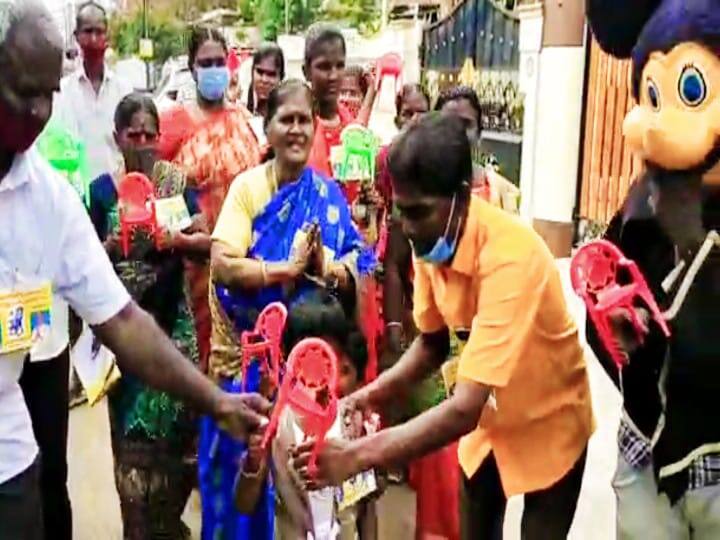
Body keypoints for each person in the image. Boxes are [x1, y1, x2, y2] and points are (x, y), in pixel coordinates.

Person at [0, 3, 270, 538]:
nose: (37, 112)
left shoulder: (50, 200)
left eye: (48, 94)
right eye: (21, 91)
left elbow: (123, 322)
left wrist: (216, 401)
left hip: (7, 459)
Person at [292, 114, 594, 539]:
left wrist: (358, 455)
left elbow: (464, 409)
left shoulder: (512, 258)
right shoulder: (431, 239)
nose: (408, 229)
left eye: (418, 213)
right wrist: (365, 398)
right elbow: (432, 345)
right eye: (402, 212)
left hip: (550, 421)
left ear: (461, 197)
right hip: (490, 427)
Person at [202, 78, 374, 539]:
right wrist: (286, 269)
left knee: (318, 485)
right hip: (253, 367)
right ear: (269, 128)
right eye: (287, 120)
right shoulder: (249, 189)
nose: (297, 130)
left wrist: (326, 267)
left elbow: (360, 261)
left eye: (305, 120)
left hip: (312, 367)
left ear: (315, 127)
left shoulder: (327, 195)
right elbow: (222, 265)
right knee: (245, 481)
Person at [88, 93, 211, 539]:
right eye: (132, 134)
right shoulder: (102, 191)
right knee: (133, 460)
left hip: (173, 332)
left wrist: (175, 236)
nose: (142, 143)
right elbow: (83, 261)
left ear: (161, 139)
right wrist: (113, 242)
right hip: (124, 338)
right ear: (117, 138)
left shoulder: (175, 185)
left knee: (177, 449)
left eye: (149, 135)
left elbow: (206, 238)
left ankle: (169, 527)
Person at [158, 26, 262, 374]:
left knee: (249, 356)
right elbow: (156, 186)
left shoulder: (244, 120)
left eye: (220, 61)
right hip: (198, 269)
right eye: (206, 62)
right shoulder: (174, 123)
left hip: (248, 259)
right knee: (208, 360)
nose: (215, 68)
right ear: (192, 67)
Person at [234, 292, 371, 539]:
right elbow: (244, 503)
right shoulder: (274, 424)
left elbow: (366, 505)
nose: (316, 362)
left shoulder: (351, 418)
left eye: (326, 353)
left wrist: (371, 460)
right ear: (290, 357)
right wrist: (253, 462)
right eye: (308, 352)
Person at [53, 1, 132, 179]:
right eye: (88, 31)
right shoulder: (62, 92)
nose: (94, 39)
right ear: (76, 36)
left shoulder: (124, 91)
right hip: (76, 197)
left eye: (99, 31)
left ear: (107, 36)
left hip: (116, 196)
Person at [303, 24, 376, 177]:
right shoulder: (296, 128)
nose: (333, 76)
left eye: (340, 66)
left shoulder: (349, 126)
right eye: (324, 67)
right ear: (306, 72)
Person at [435, 86, 518, 211]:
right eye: (449, 123)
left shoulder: (503, 193)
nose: (458, 130)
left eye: (466, 124)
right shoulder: (419, 189)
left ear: (479, 133)